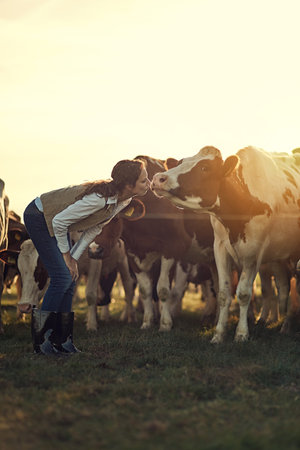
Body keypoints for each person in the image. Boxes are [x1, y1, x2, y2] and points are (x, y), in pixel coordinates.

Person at [21, 159, 150, 355]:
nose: (148, 183)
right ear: (128, 185)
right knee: (61, 277)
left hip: (57, 220)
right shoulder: (99, 199)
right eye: (143, 180)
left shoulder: (124, 200)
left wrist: (73, 258)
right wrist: (67, 256)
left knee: (70, 277)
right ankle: (43, 343)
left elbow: (95, 228)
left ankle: (63, 341)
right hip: (39, 216)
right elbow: (59, 222)